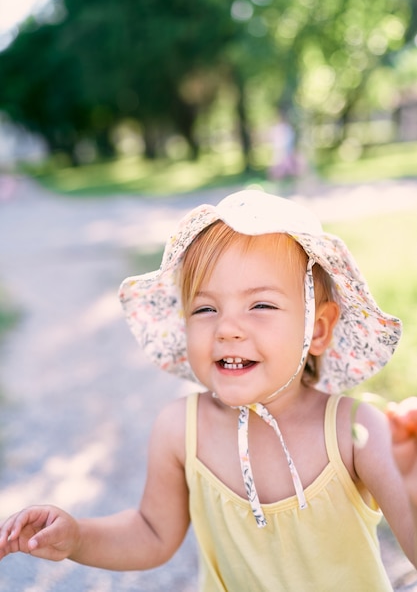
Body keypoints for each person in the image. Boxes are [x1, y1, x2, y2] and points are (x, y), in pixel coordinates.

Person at [0, 189, 416, 590]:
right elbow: (151, 532)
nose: (227, 328)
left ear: (318, 328)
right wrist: (77, 538)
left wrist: (410, 482)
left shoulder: (355, 431)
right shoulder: (181, 429)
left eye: (261, 305)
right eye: (205, 308)